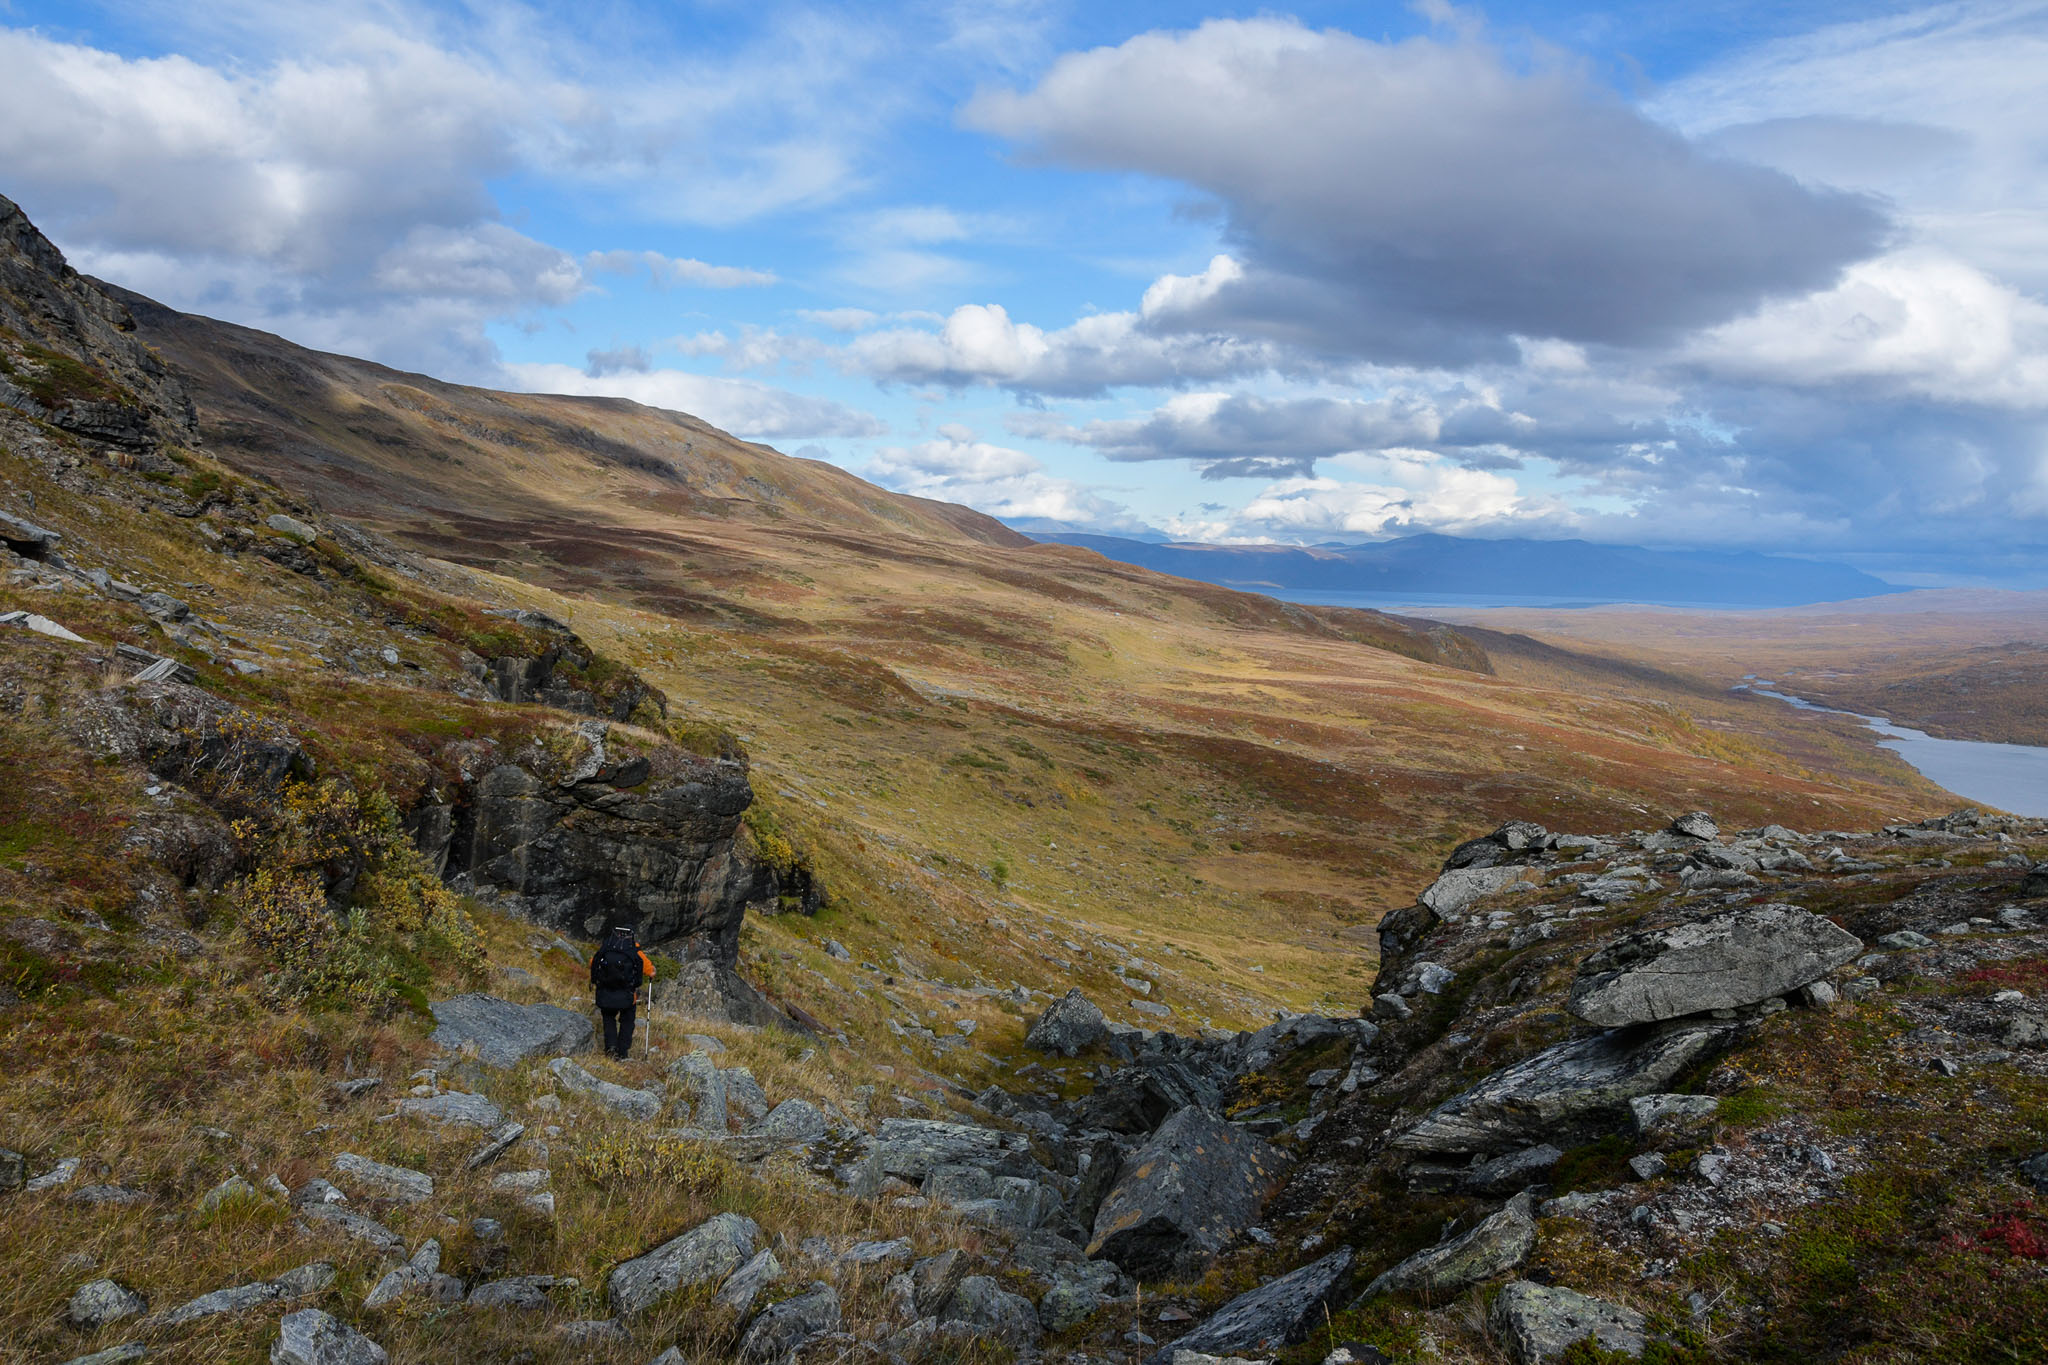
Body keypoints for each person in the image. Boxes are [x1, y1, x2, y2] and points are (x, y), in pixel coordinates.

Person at [589, 924, 655, 1060]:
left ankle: (611, 1048)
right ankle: (623, 1052)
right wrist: (652, 971)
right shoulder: (635, 951)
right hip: (627, 996)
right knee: (627, 1022)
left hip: (606, 993)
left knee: (608, 1019)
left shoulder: (606, 947)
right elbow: (651, 971)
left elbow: (593, 963)